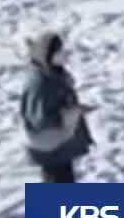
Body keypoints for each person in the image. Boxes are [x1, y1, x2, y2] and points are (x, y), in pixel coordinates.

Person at [20, 31, 93, 184]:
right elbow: (38, 119)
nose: (63, 54)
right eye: (58, 51)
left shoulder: (53, 73)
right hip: (50, 146)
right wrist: (71, 113)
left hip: (59, 145)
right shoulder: (39, 83)